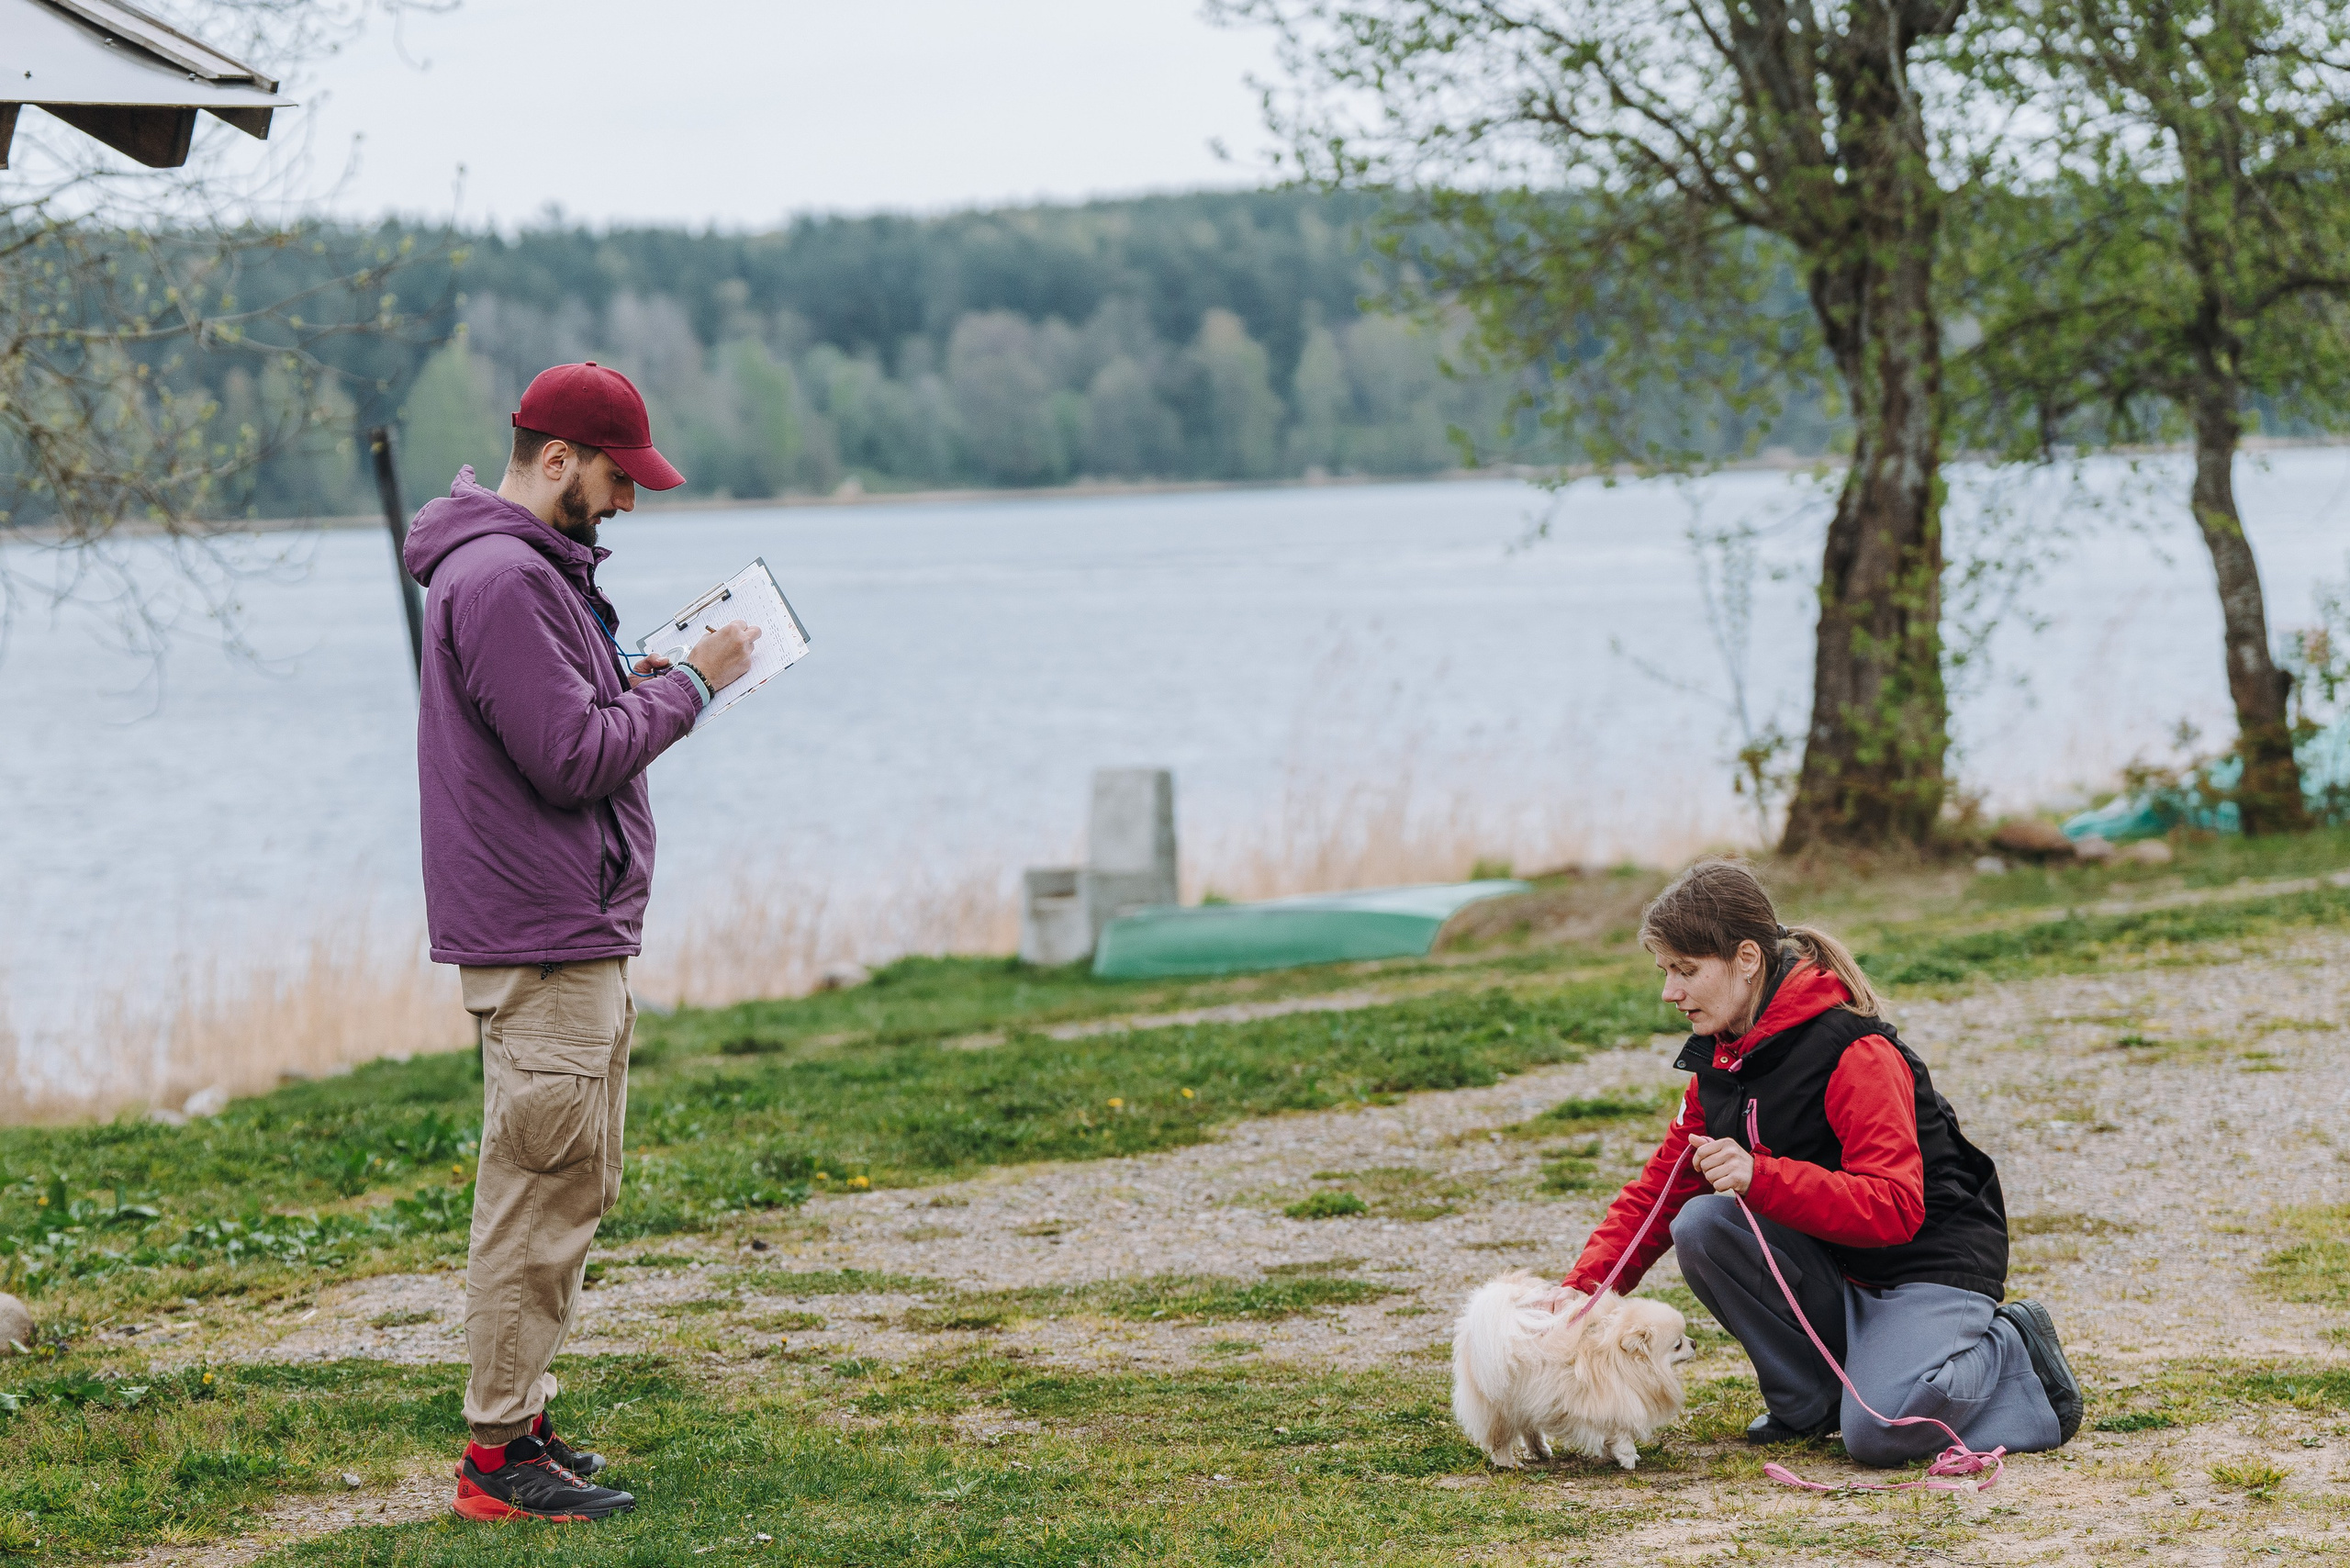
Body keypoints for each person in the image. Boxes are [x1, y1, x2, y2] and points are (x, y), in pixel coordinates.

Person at [402, 362, 760, 1522]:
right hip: (543, 933)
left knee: (570, 1181)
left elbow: (571, 724)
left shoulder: (526, 572)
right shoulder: (504, 577)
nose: (626, 504)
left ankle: (525, 1422)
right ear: (556, 458)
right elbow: (571, 760)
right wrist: (693, 688)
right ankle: (498, 1462)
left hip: (569, 924)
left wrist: (636, 681)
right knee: (539, 1192)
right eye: (617, 478)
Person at [1563, 859, 2081, 1466]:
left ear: (1747, 959)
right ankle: (1808, 1401)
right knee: (1701, 1225)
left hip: (1926, 1265)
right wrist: (1579, 1300)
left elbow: (1894, 1208)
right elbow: (1657, 1196)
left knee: (1881, 1430)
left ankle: (2015, 1356)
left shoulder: (1856, 1052)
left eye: (1686, 970)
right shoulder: (1721, 1066)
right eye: (1665, 971)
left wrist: (1761, 1177)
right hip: (1838, 1264)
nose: (1669, 991)